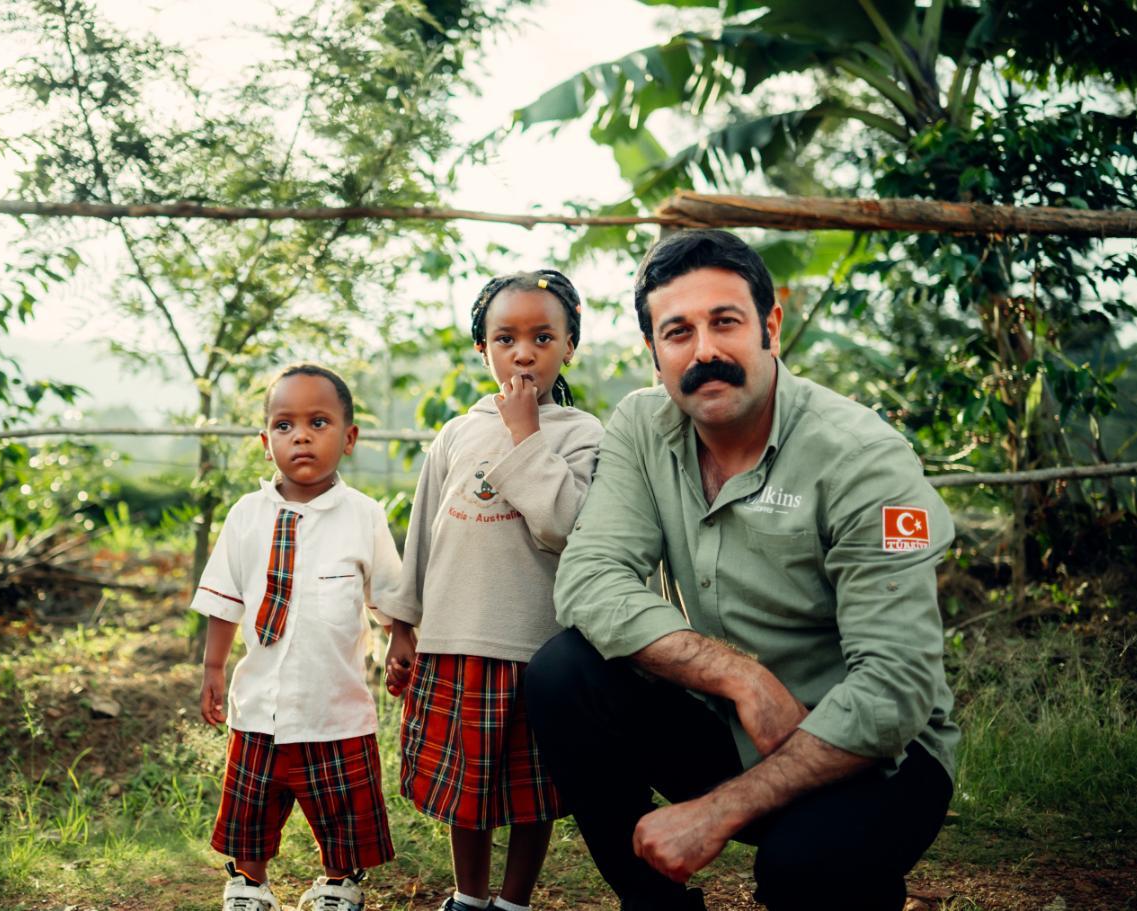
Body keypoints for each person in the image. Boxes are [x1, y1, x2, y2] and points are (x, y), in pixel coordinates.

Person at [526, 230, 959, 911]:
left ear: (770, 327)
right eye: (677, 332)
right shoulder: (644, 426)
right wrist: (739, 675)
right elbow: (590, 576)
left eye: (724, 322)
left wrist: (714, 811)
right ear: (655, 354)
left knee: (802, 869)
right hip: (729, 719)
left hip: (874, 752)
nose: (704, 351)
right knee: (562, 673)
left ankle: (849, 869)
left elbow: (893, 687)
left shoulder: (863, 458)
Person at [383, 270, 605, 911]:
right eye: (505, 337)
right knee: (468, 786)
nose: (524, 351)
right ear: (482, 348)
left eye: (543, 336)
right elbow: (423, 533)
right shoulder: (455, 432)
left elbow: (565, 527)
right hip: (456, 637)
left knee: (532, 787)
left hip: (535, 646)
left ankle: (514, 901)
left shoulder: (582, 435)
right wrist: (404, 625)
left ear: (570, 345)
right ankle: (470, 896)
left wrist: (526, 433)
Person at [192, 364, 402, 911]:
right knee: (252, 803)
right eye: (284, 425)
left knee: (341, 805)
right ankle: (248, 882)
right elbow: (224, 597)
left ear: (349, 438)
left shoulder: (364, 516)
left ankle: (338, 882)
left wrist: (402, 642)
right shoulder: (246, 516)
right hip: (260, 699)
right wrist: (214, 668)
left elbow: (390, 595)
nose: (301, 435)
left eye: (318, 422)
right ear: (266, 443)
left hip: (334, 702)